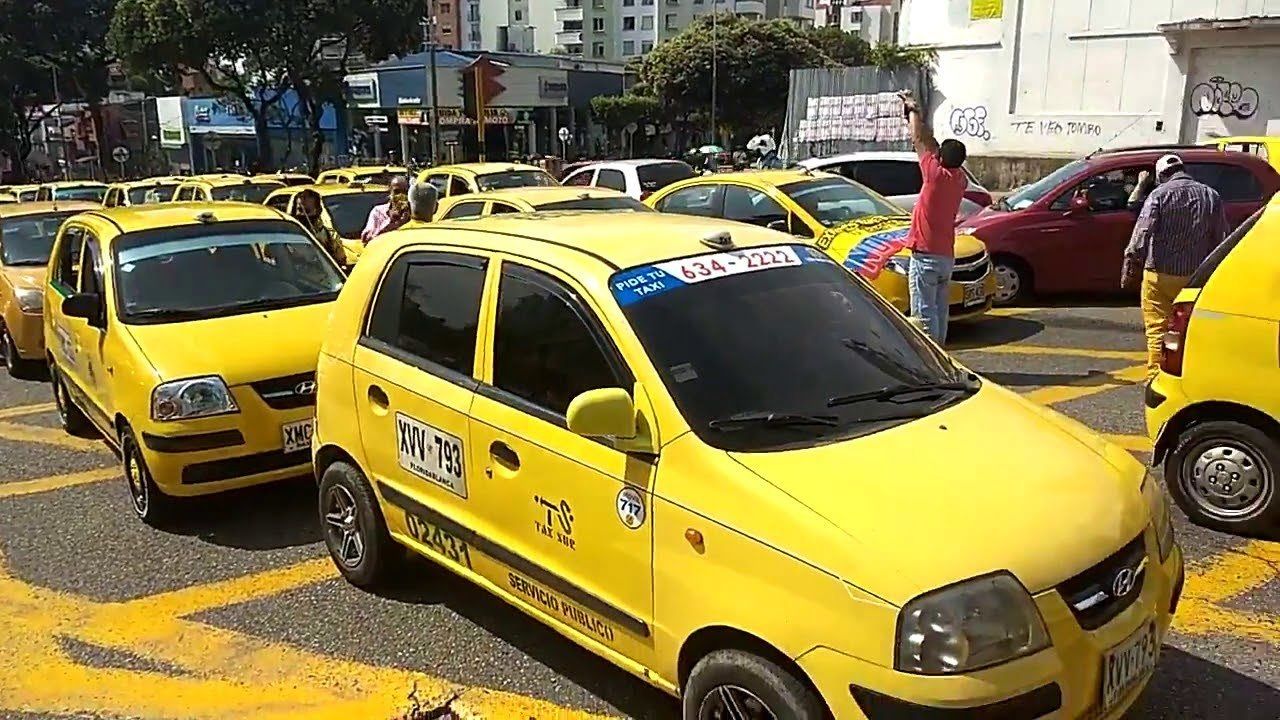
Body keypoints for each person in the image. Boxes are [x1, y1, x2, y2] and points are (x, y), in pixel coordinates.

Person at [1122, 153, 1228, 379]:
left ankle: (1155, 376)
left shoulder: (1158, 195)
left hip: (1159, 275)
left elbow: (1141, 236)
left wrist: (1129, 267)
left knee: (1157, 329)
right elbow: (1220, 238)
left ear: (1161, 175)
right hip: (1194, 278)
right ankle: (1188, 374)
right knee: (1190, 329)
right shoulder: (1211, 195)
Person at [901, 92, 969, 343]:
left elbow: (919, 139)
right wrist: (918, 115)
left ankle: (931, 354)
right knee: (940, 310)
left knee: (924, 313)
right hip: (945, 256)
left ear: (940, 158)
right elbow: (930, 143)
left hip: (925, 255)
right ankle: (940, 348)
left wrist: (912, 110)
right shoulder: (960, 179)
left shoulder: (934, 175)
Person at [293, 189, 344, 263]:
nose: (303, 214)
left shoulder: (330, 236)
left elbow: (340, 259)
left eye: (307, 211)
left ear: (318, 211)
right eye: (300, 210)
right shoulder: (289, 234)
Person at [361, 175, 410, 243]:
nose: (401, 195)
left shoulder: (414, 214)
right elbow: (367, 238)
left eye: (404, 192)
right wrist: (391, 221)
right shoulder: (378, 211)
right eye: (397, 191)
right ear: (390, 191)